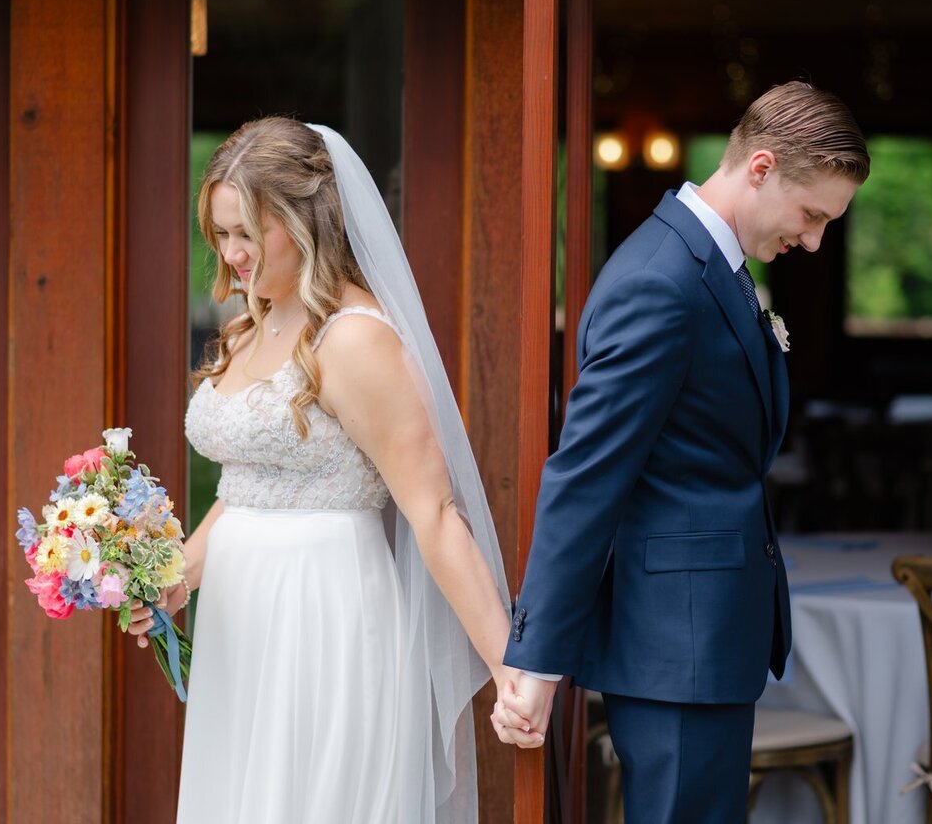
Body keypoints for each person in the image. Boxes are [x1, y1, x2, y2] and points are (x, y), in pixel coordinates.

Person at [126, 118, 535, 823]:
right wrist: (180, 571)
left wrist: (508, 668)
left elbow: (434, 512)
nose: (233, 253)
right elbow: (251, 487)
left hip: (325, 619)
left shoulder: (355, 340)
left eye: (248, 232)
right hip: (239, 627)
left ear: (306, 218)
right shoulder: (256, 322)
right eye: (221, 234)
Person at [494, 81, 870, 822]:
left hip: (701, 645)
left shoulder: (710, 264)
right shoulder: (661, 280)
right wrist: (536, 658)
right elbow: (586, 474)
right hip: (675, 649)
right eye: (813, 214)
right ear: (760, 167)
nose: (816, 239)